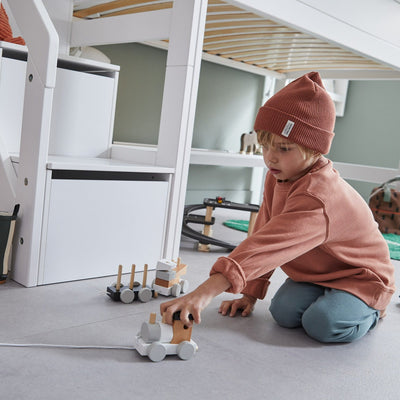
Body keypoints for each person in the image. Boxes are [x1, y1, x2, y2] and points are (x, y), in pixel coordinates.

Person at [160, 71, 395, 343]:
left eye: (284, 148)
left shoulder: (319, 196)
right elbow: (264, 230)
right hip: (317, 273)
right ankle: (328, 296)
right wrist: (250, 292)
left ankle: (374, 310)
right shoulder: (279, 176)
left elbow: (271, 244)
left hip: (361, 277)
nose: (271, 157)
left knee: (323, 324)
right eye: (266, 146)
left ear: (314, 150)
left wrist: (203, 293)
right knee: (283, 313)